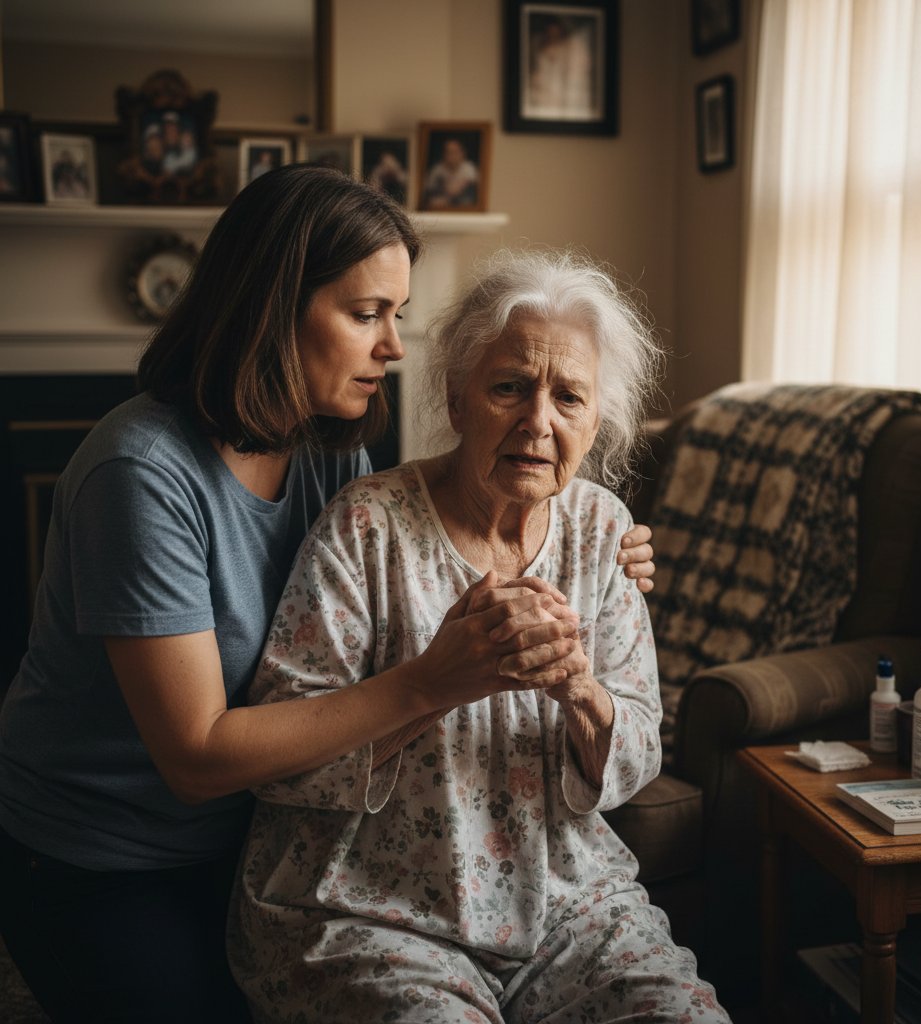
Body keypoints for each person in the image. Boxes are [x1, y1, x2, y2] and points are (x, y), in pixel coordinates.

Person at [0, 167, 656, 1023]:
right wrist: (433, 679)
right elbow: (196, 759)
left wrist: (607, 551)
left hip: (251, 835)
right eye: (366, 314)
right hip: (112, 852)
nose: (394, 347)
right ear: (271, 309)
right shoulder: (141, 475)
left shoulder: (328, 449)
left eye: (398, 316)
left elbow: (402, 578)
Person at [228, 248, 730, 1023]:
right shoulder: (366, 525)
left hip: (565, 906)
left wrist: (581, 692)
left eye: (569, 397)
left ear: (596, 422)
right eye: (508, 388)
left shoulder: (604, 531)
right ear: (458, 401)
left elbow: (635, 753)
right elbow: (283, 771)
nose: (538, 422)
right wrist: (441, 679)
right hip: (372, 910)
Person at [422, 136, 479, 209]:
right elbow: (430, 194)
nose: (452, 156)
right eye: (448, 152)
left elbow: (453, 190)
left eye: (455, 152)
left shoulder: (470, 169)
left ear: (462, 153)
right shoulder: (437, 170)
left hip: (463, 206)